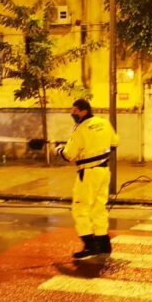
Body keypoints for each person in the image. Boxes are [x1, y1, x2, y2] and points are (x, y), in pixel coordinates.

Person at [55, 99, 119, 259]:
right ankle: (104, 244)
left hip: (88, 173)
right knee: (99, 208)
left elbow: (69, 154)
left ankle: (89, 246)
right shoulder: (103, 123)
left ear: (84, 111)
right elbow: (114, 143)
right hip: (104, 171)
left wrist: (58, 149)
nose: (72, 114)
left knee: (80, 208)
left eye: (75, 111)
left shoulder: (81, 129)